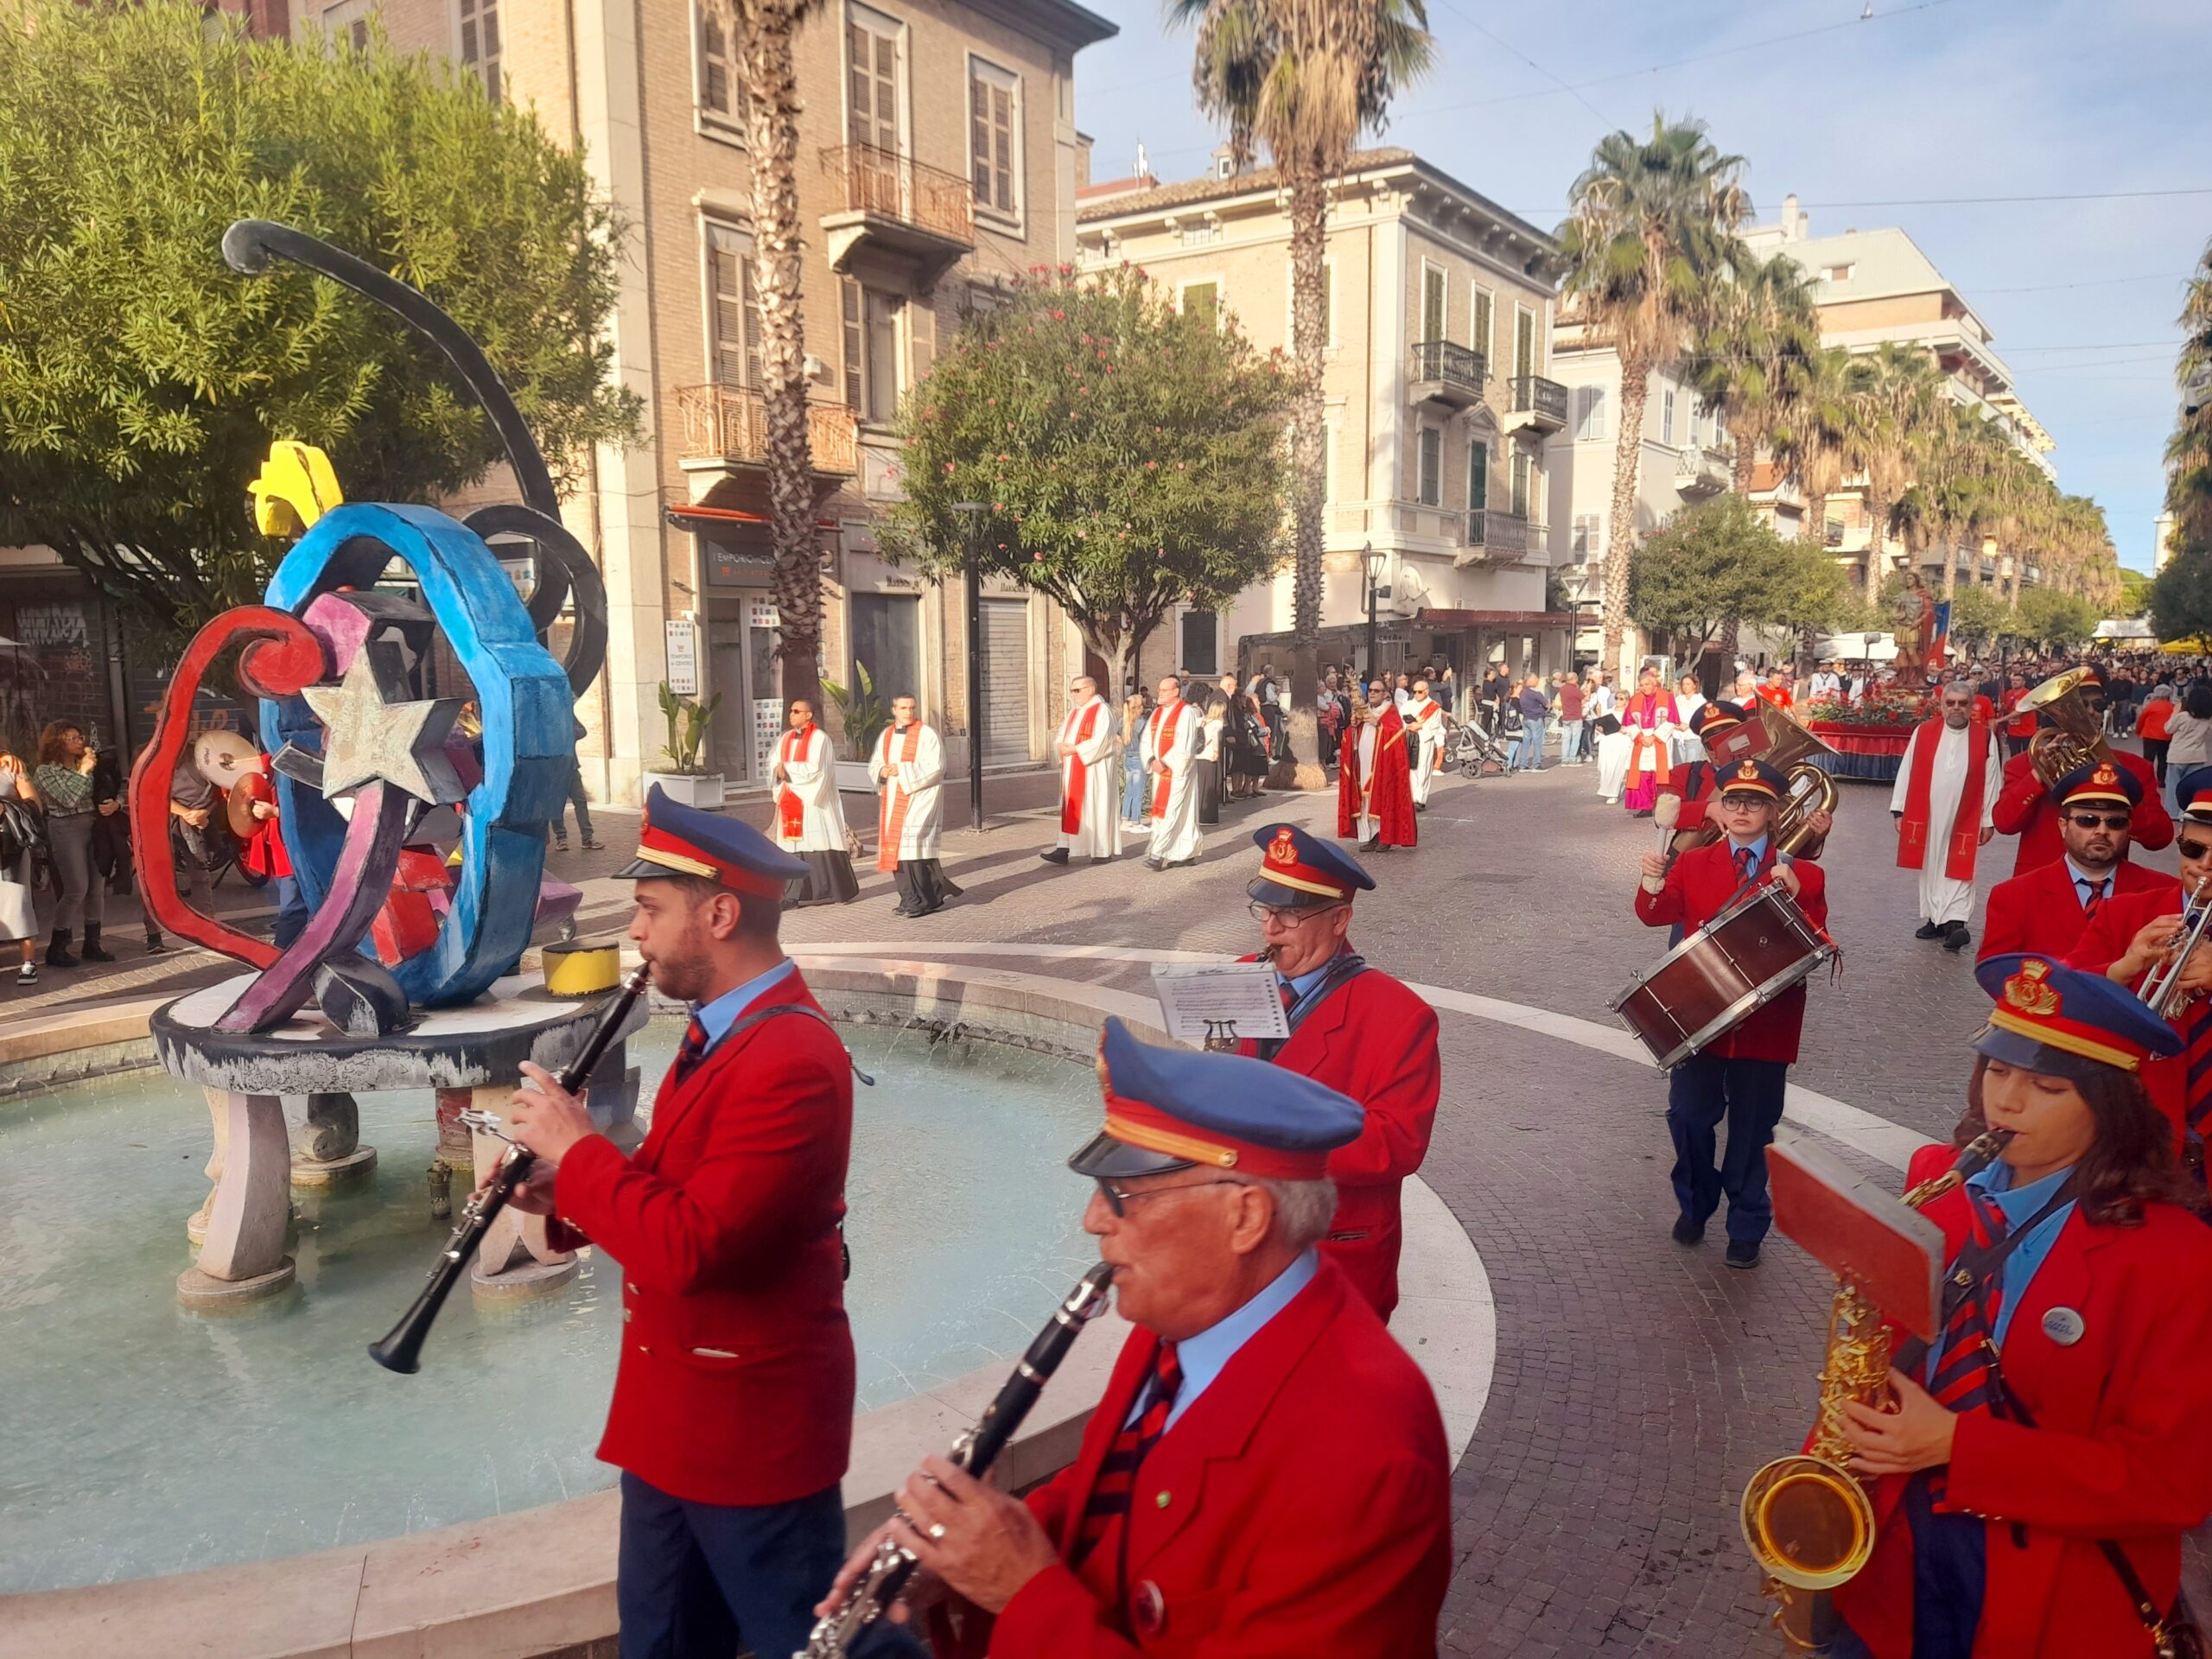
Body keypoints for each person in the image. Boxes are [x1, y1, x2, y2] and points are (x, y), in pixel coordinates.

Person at [823, 1020, 1452, 1657]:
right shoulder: (1193, 1316)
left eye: (1123, 1194)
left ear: (1244, 1217)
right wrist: (967, 1550)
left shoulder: (1365, 1454)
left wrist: (1021, 1592)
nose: (1093, 1219)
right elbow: (1117, 1490)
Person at [502, 788, 855, 1659]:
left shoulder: (791, 1057)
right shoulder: (722, 1032)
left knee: (800, 1643)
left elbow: (694, 1247)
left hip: (751, 1435)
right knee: (659, 1642)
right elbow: (682, 1194)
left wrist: (581, 1148)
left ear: (721, 915)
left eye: (650, 909)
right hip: (672, 1421)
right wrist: (567, 1188)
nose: (636, 932)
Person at [1825, 953, 2212, 1659]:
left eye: (2047, 1086)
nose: (2005, 1103)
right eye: (1997, 1070)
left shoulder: (2180, 1258)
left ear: (2110, 1108)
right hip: (1895, 1552)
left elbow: (2172, 1487)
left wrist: (1956, 1445)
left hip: (2049, 1596)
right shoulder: (1934, 1182)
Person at [1236, 824, 1439, 1319]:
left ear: (1340, 919)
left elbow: (1398, 1144)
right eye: (1265, 910)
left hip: (1327, 1256)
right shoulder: (1240, 975)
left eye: (1289, 914)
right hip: (1237, 1244)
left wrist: (1270, 1140)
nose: (1270, 930)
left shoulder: (1400, 1015)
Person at [1635, 760, 1829, 1268]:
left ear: (1773, 810)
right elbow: (1655, 915)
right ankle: (1696, 1202)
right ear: (1721, 807)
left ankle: (1747, 1222)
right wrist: (1650, 881)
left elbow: (1820, 941)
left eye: (1755, 802)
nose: (1742, 810)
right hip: (1699, 1018)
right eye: (1734, 800)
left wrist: (1797, 895)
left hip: (1767, 1022)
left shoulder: (1804, 872)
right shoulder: (1693, 863)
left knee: (1753, 1128)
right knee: (1688, 1116)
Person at [2069, 784, 2212, 1149]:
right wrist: (2123, 967)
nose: (2205, 864)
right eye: (2193, 849)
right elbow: (2062, 998)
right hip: (2140, 1128)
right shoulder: (2124, 913)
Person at [1980, 762, 2176, 963]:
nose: (2102, 831)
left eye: (2115, 823)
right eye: (2088, 820)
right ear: (2063, 826)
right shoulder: (2012, 896)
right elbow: (1995, 971)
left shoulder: (2167, 892)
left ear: (2128, 828)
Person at [1890, 679, 2003, 953]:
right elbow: (1907, 769)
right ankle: (1935, 919)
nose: (1956, 708)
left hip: (1966, 813)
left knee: (1960, 867)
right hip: (1927, 812)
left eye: (1962, 703)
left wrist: (1989, 819)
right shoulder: (1924, 732)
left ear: (1971, 706)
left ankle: (1955, 923)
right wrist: (1900, 809)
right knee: (1931, 864)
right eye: (1950, 703)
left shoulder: (1984, 737)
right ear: (1941, 705)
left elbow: (1992, 779)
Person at [1992, 707, 2171, 878]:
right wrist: (2038, 775)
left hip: (2111, 885)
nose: (2091, 711)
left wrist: (2124, 789)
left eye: (2098, 704)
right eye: (2082, 705)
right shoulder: (2024, 764)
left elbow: (2160, 837)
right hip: (2038, 881)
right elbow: (2004, 823)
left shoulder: (2134, 767)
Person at [32, 721, 114, 966]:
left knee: (97, 887)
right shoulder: (46, 772)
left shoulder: (88, 763)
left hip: (94, 825)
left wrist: (116, 803)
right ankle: (58, 945)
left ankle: (93, 943)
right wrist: (84, 771)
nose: (79, 742)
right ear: (57, 742)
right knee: (76, 888)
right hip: (66, 827)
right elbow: (67, 799)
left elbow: (110, 788)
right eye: (71, 738)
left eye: (80, 737)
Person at [874, 696, 961, 919]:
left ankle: (921, 901)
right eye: (903, 708)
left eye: (912, 708)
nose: (908, 712)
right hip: (893, 801)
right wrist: (881, 771)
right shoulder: (886, 735)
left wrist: (901, 770)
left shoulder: (927, 734)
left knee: (914, 851)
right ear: (894, 710)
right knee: (898, 852)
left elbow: (936, 767)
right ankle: (908, 899)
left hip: (920, 801)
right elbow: (876, 762)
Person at [770, 699, 857, 906]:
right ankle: (792, 896)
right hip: (791, 798)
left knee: (818, 841)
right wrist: (779, 771)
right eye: (791, 711)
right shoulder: (786, 738)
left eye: (796, 711)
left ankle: (836, 892)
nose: (791, 714)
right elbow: (775, 764)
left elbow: (817, 769)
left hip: (812, 801)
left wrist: (787, 770)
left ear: (808, 715)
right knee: (793, 846)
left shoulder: (820, 739)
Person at [1045, 677, 1122, 864]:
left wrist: (1076, 749)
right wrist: (1061, 746)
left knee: (1096, 808)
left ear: (1090, 689)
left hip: (1094, 771)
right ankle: (1063, 849)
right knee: (1071, 807)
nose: (1073, 695)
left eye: (1077, 690)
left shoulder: (1102, 711)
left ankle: (1101, 851)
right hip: (1073, 769)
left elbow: (1103, 741)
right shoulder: (1074, 712)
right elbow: (1062, 735)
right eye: (1072, 691)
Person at [1338, 683, 1414, 852]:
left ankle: (1383, 836)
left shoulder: (1390, 712)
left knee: (1380, 798)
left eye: (1376, 691)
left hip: (1381, 765)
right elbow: (1352, 736)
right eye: (1370, 690)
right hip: (1362, 764)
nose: (1372, 693)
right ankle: (1369, 836)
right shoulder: (1364, 710)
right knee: (1364, 800)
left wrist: (1378, 724)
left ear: (1385, 694)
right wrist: (1354, 726)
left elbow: (1395, 736)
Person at [1141, 675, 1202, 872]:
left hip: (1177, 771)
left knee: (1172, 811)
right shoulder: (1157, 713)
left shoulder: (1186, 713)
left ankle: (1157, 855)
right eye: (1159, 690)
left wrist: (1164, 762)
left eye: (1164, 690)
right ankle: (1184, 854)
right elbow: (1146, 740)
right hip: (1159, 772)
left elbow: (1185, 745)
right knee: (1168, 813)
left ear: (1176, 691)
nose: (1159, 693)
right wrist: (1151, 760)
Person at [0, 753, 40, 983]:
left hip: (10, 845)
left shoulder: (11, 768)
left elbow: (35, 804)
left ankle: (28, 963)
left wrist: (5, 806)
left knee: (18, 900)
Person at [1619, 668, 1679, 817]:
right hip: (1641, 740)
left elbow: (1672, 720)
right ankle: (1645, 806)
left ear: (1654, 683)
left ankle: (1660, 805)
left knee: (1659, 773)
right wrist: (1640, 736)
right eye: (1641, 685)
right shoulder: (1635, 699)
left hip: (1660, 740)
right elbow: (1629, 721)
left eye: (1646, 684)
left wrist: (1654, 737)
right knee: (1642, 774)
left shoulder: (1667, 697)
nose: (1644, 688)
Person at [2165, 677, 2212, 807]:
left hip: (2178, 755)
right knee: (2191, 787)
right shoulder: (2207, 719)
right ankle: (2187, 810)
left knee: (2173, 786)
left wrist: (2175, 713)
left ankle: (2173, 811)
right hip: (2197, 755)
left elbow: (2168, 729)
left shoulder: (2183, 717)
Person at [1405, 678, 1446, 810]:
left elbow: (1435, 725)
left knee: (1423, 768)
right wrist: (1408, 726)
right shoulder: (1407, 704)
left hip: (1424, 740)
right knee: (1411, 768)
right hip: (1409, 738)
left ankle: (1420, 799)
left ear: (1427, 691)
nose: (1417, 694)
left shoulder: (1434, 707)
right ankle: (1411, 797)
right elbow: (1400, 720)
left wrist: (1421, 726)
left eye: (1420, 692)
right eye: (1415, 692)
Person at [550, 752, 603, 853]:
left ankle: (587, 838)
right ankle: (561, 838)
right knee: (557, 805)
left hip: (572, 769)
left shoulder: (570, 738)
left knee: (581, 802)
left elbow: (579, 738)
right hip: (554, 771)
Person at [1117, 689, 1151, 835]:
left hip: (1128, 757)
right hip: (1139, 757)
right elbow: (1146, 742)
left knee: (1129, 790)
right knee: (1138, 791)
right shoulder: (1141, 723)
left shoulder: (1122, 721)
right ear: (1139, 707)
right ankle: (1136, 821)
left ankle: (1125, 819)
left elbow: (1117, 736)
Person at [1196, 684, 1225, 826]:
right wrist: (1216, 752)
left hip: (1198, 755)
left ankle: (1198, 814)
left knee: (1200, 786)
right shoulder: (1218, 723)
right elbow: (1215, 739)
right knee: (1210, 786)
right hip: (1209, 756)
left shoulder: (1201, 720)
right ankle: (1208, 816)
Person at [2136, 682, 2176, 785]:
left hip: (2150, 735)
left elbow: (2141, 719)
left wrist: (2138, 731)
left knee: (2148, 760)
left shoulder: (2151, 706)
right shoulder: (2172, 707)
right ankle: (2161, 780)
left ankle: (2146, 779)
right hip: (2165, 737)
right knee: (2163, 759)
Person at [1513, 673, 1548, 772]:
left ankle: (1523, 765)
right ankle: (1536, 764)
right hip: (1535, 718)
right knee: (1538, 742)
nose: (1537, 680)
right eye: (1535, 678)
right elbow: (1546, 703)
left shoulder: (1523, 692)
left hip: (1526, 718)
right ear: (1530, 680)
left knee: (1526, 741)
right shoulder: (1534, 692)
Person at [2000, 671, 2036, 760]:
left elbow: (2020, 711)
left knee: (2027, 756)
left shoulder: (2028, 694)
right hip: (2013, 731)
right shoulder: (2008, 693)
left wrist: (2000, 720)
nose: (2015, 682)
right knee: (2014, 756)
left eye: (2018, 680)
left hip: (2027, 731)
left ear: (2023, 682)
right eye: (2013, 680)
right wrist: (2003, 707)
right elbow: (2007, 709)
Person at [1555, 671, 1587, 766]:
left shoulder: (1562, 689)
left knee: (1566, 738)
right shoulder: (1575, 690)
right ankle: (1572, 759)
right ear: (1575, 679)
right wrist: (1588, 688)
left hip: (1566, 716)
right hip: (1576, 716)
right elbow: (1585, 698)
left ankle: (1564, 759)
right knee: (1575, 739)